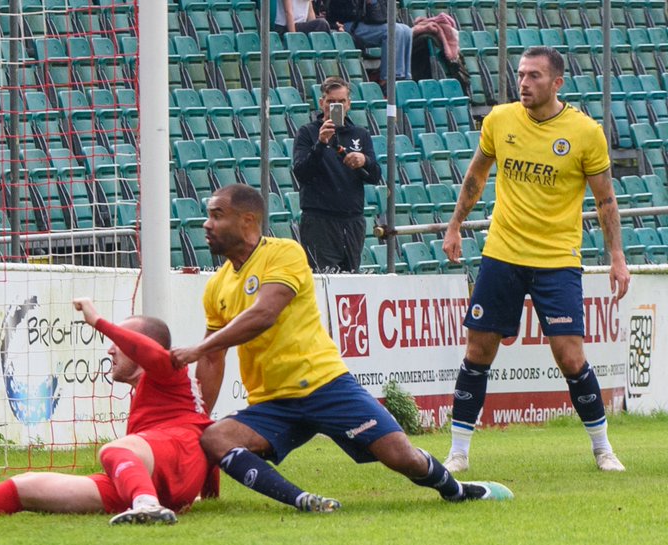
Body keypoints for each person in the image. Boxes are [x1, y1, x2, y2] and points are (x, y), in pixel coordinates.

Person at [169, 184, 512, 513]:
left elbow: (265, 314)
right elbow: (214, 360)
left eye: (217, 215)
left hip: (326, 386)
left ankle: (457, 491)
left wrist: (198, 347)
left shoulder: (284, 253)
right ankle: (303, 501)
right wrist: (199, 417)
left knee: (400, 456)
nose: (206, 224)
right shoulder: (217, 286)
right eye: (208, 216)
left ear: (247, 221)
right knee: (215, 438)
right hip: (273, 402)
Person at [439, 46, 630, 473]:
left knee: (569, 356)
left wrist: (617, 257)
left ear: (557, 83)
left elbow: (605, 200)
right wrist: (454, 226)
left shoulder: (584, 133)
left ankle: (603, 449)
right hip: (502, 254)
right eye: (521, 75)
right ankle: (458, 453)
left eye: (534, 77)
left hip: (557, 259)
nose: (523, 83)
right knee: (478, 350)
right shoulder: (500, 119)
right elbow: (476, 174)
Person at [0, 297, 215, 525]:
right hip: (157, 479)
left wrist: (98, 321)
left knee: (115, 449)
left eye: (120, 341)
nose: (111, 349)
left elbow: (154, 358)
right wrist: (208, 495)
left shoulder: (171, 370)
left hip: (167, 464)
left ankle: (145, 506)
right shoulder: (157, 390)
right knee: (25, 487)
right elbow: (211, 440)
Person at [292, 77, 380, 273]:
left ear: (348, 104)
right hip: (319, 221)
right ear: (322, 102)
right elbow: (301, 172)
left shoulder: (360, 134)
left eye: (341, 102)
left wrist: (364, 160)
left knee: (350, 281)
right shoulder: (308, 132)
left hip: (352, 220)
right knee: (323, 281)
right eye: (331, 102)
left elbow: (375, 176)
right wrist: (321, 144)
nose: (336, 106)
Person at [327, 0, 413, 81]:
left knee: (406, 30)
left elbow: (380, 17)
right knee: (394, 30)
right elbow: (341, 14)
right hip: (347, 25)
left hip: (369, 24)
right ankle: (388, 80)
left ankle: (404, 78)